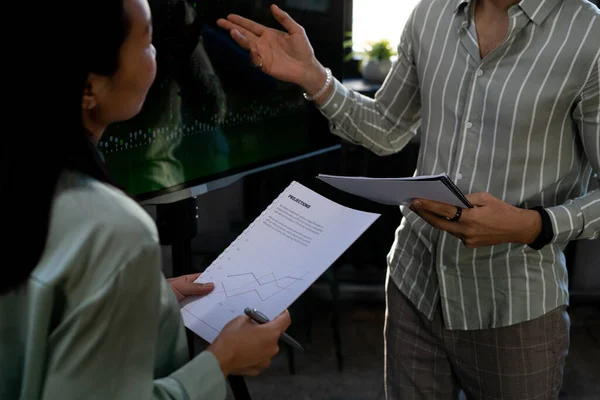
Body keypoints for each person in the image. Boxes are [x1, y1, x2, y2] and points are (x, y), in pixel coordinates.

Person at [217, 0, 600, 399]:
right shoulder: (430, 13)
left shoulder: (589, 34)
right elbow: (387, 129)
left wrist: (532, 225)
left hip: (513, 304)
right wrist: (314, 78)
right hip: (412, 286)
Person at [0, 0, 291, 399]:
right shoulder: (114, 229)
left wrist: (147, 295)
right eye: (149, 40)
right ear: (89, 86)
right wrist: (221, 361)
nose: (158, 55)